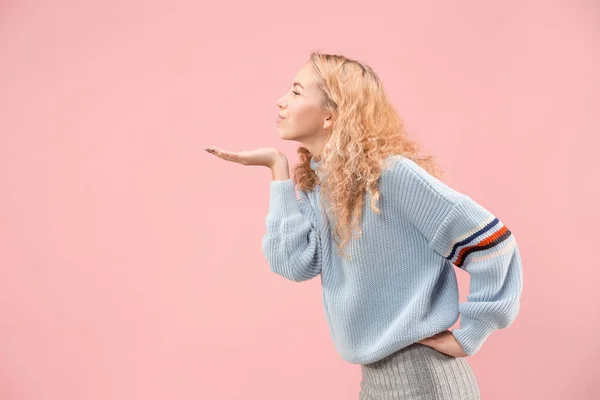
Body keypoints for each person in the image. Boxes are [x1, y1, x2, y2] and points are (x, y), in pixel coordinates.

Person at [205, 51, 523, 400]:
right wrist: (278, 171)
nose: (281, 101)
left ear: (330, 114)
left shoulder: (390, 176)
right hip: (376, 381)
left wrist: (472, 332)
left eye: (296, 92)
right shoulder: (321, 185)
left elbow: (494, 244)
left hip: (425, 378)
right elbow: (292, 264)